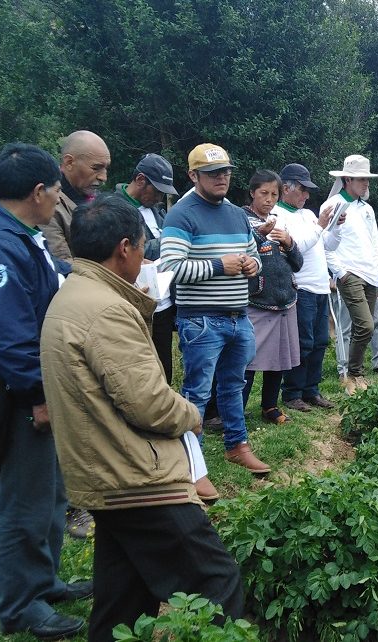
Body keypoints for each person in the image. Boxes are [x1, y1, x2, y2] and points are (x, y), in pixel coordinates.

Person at [42, 194, 244, 641]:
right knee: (216, 581)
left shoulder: (75, 294)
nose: (144, 257)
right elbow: (149, 403)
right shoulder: (107, 310)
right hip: (135, 477)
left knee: (123, 600)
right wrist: (190, 414)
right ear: (124, 249)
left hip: (104, 471)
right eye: (141, 247)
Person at [0, 142, 90, 639]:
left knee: (50, 491)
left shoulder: (20, 235)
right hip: (15, 392)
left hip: (36, 383)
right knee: (25, 499)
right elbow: (8, 336)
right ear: (37, 192)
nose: (57, 199)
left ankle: (44, 580)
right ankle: (21, 604)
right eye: (55, 191)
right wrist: (39, 396)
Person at [159, 143, 270, 475]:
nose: (221, 178)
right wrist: (220, 266)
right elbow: (171, 268)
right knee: (197, 392)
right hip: (201, 319)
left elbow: (256, 256)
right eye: (212, 173)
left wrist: (252, 265)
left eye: (225, 171)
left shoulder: (236, 214)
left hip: (239, 317)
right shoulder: (182, 214)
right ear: (193, 175)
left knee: (233, 386)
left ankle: (237, 445)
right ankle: (192, 462)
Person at [322, 154, 378, 394]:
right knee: (365, 325)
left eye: (367, 179)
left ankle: (355, 374)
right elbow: (324, 243)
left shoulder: (367, 208)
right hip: (349, 273)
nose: (366, 183)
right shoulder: (332, 206)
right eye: (361, 179)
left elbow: (374, 244)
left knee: (364, 327)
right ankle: (351, 372)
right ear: (347, 180)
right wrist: (340, 272)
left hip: (370, 273)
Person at [241, 170, 303, 424]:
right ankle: (236, 411)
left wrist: (289, 242)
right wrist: (260, 235)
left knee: (278, 358)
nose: (269, 199)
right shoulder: (241, 221)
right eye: (263, 193)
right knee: (248, 359)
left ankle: (270, 406)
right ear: (252, 193)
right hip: (257, 300)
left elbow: (297, 263)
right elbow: (241, 253)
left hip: (284, 299)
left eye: (274, 194)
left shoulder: (280, 222)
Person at [279, 163, 337, 413]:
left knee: (321, 341)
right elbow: (296, 247)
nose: (306, 195)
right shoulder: (277, 216)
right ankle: (292, 392)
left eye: (307, 191)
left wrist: (336, 227)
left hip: (320, 286)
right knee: (303, 342)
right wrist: (320, 226)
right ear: (286, 188)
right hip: (301, 286)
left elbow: (328, 245)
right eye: (302, 190)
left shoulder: (309, 215)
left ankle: (312, 390)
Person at [116, 152, 180, 381]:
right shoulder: (115, 209)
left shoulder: (156, 210)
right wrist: (169, 243)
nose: (160, 196)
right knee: (140, 372)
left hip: (162, 303)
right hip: (135, 301)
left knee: (164, 370)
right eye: (158, 190)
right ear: (140, 180)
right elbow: (135, 250)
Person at [41, 130, 112, 262]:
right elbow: (63, 264)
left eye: (106, 168)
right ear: (69, 162)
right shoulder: (49, 205)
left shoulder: (100, 200)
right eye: (96, 168)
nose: (103, 177)